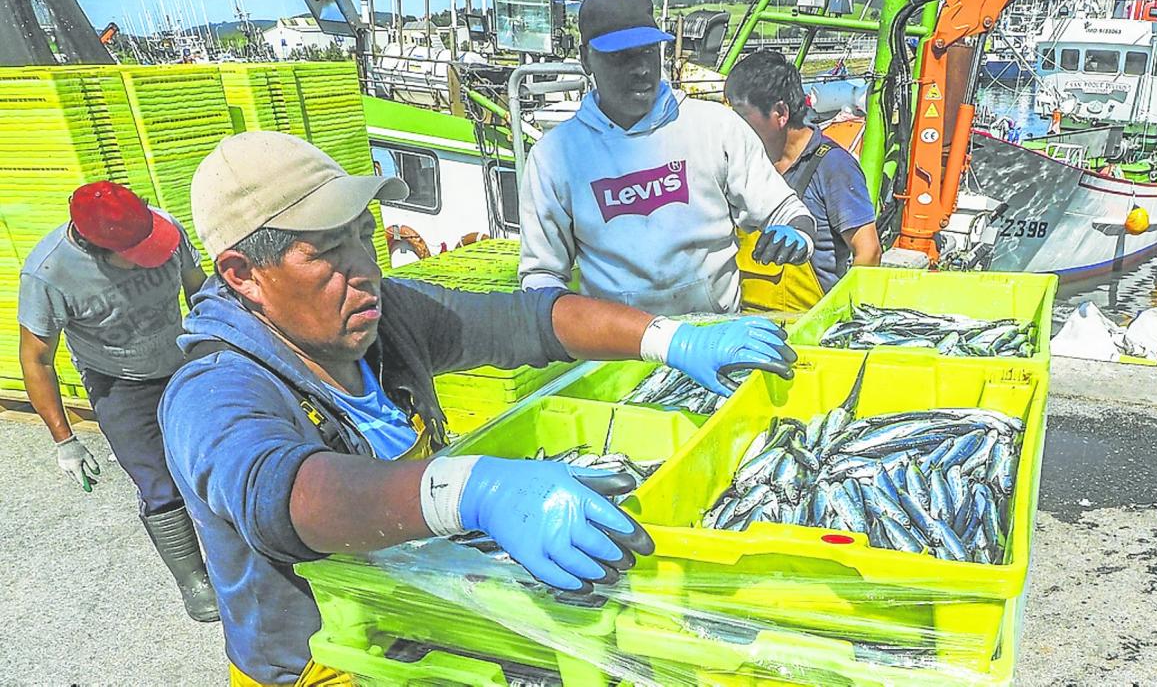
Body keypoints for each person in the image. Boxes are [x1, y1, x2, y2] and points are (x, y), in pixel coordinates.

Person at [160, 131, 800, 684]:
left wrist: (669, 337)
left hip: (426, 622)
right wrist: (473, 490)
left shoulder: (384, 318)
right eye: (326, 252)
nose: (364, 269)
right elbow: (282, 494)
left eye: (363, 236)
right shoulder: (213, 389)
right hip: (325, 660)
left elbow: (527, 321)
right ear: (242, 273)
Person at [518, 0, 817, 317]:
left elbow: (785, 210)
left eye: (648, 51)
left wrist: (799, 233)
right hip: (616, 351)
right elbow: (542, 274)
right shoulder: (555, 157)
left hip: (715, 336)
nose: (642, 69)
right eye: (621, 57)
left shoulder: (716, 127)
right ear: (586, 59)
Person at [17, 181, 218, 622]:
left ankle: (240, 560)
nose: (152, 252)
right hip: (120, 383)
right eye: (136, 252)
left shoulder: (166, 231)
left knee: (219, 459)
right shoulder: (49, 276)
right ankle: (194, 580)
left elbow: (199, 290)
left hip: (182, 358)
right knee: (159, 484)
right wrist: (64, 439)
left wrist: (218, 348)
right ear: (95, 248)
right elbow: (36, 360)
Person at [725, 51, 881, 309]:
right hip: (748, 324)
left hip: (809, 328)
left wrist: (837, 316)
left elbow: (869, 253)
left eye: (741, 114)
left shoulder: (833, 166)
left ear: (780, 112)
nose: (731, 125)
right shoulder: (744, 163)